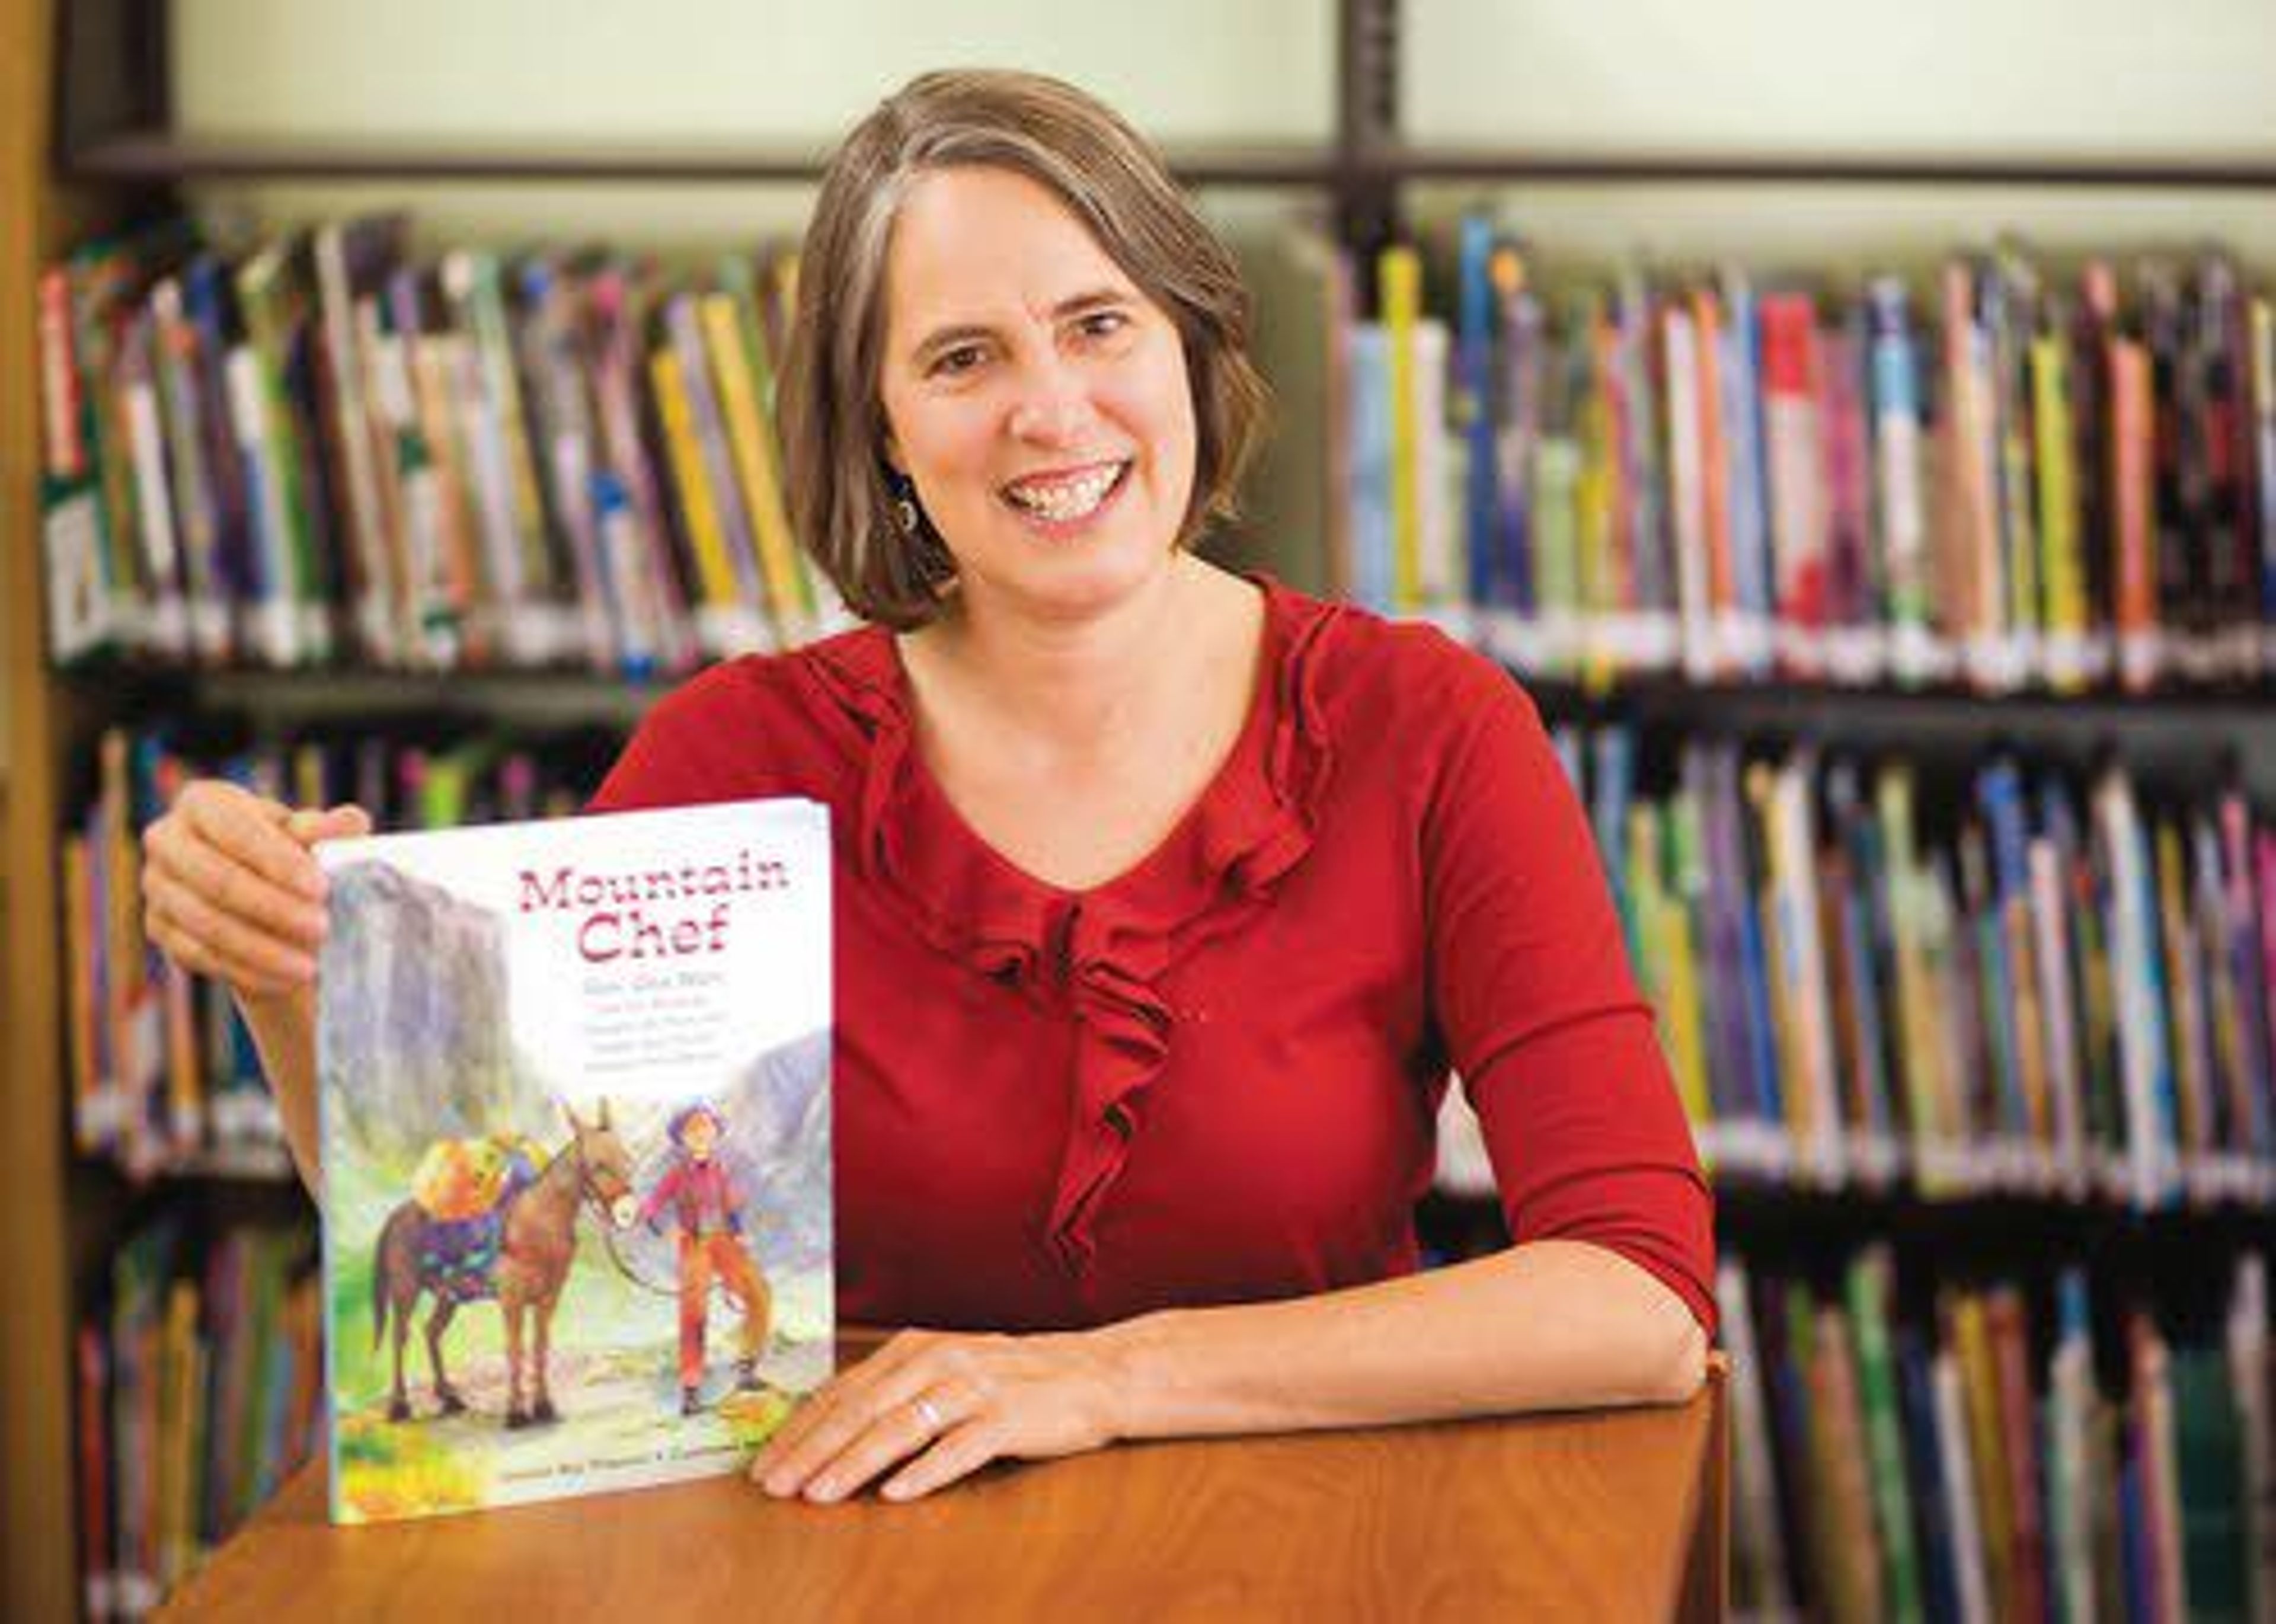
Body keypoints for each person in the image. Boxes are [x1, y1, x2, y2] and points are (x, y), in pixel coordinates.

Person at [139, 68, 1713, 1509]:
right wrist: (290, 973)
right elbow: (501, 1243)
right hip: (844, 1555)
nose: (1052, 407)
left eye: (1100, 324)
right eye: (964, 357)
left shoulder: (1427, 728)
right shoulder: (733, 763)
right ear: (883, 430)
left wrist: (1098, 1381)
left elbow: (1639, 1298)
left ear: (1186, 347)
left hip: (1300, 1544)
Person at [638, 1102, 772, 1415]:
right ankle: (691, 1389)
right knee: (694, 1314)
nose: (701, 1133)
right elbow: (650, 1209)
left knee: (759, 1294)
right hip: (694, 1244)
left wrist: (739, 1234)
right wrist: (666, 1231)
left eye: (707, 1127)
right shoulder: (676, 1175)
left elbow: (731, 1207)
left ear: (715, 1133)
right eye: (693, 1129)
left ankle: (747, 1367)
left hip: (725, 1241)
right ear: (682, 1138)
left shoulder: (721, 1170)